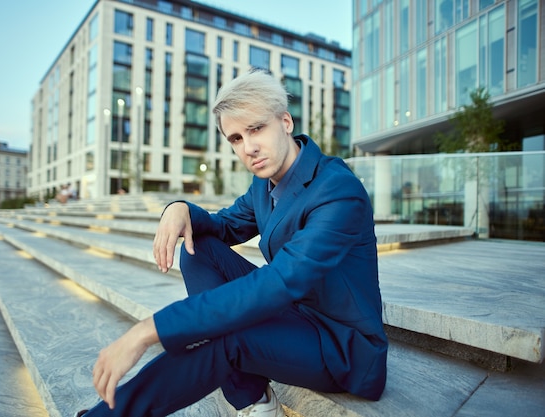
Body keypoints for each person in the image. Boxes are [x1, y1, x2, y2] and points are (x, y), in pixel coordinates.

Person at [77, 69, 387, 417]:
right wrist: (180, 210)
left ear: (285, 121)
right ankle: (254, 397)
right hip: (296, 315)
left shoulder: (337, 190)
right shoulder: (265, 185)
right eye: (236, 138)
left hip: (341, 346)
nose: (248, 148)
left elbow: (281, 281)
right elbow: (224, 225)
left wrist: (149, 331)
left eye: (256, 129)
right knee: (199, 248)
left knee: (226, 339)